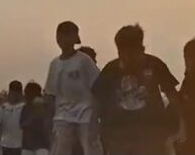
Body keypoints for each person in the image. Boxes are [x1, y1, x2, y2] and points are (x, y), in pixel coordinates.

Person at [92, 24, 179, 155]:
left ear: (142, 49)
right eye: (123, 54)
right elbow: (97, 100)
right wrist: (97, 129)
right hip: (119, 136)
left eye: (132, 54)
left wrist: (177, 126)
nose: (127, 59)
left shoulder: (155, 65)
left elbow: (173, 96)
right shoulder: (111, 69)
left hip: (151, 134)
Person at [45, 21, 102, 155]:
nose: (62, 39)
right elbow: (50, 93)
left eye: (67, 35)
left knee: (91, 149)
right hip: (63, 115)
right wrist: (47, 118)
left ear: (74, 38)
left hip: (85, 113)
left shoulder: (84, 60)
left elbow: (98, 87)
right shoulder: (55, 64)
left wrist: (96, 114)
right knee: (60, 150)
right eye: (59, 36)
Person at [0, 80, 24, 155]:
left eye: (17, 91)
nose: (14, 94)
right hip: (6, 144)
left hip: (19, 145)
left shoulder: (24, 107)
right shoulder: (3, 107)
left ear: (20, 93)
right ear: (10, 92)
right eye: (13, 91)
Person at [20, 82, 50, 155]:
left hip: (41, 145)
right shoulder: (25, 108)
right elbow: (24, 127)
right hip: (29, 146)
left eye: (27, 93)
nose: (25, 95)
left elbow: (47, 126)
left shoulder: (44, 107)